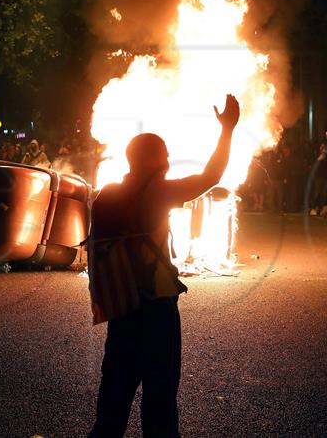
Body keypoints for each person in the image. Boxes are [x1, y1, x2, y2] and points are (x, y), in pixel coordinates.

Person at [87, 94, 240, 438]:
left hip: (121, 306)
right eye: (166, 153)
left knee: (112, 402)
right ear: (156, 160)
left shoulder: (107, 194)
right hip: (155, 308)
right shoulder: (158, 193)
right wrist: (227, 129)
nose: (170, 159)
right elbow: (212, 176)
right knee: (159, 404)